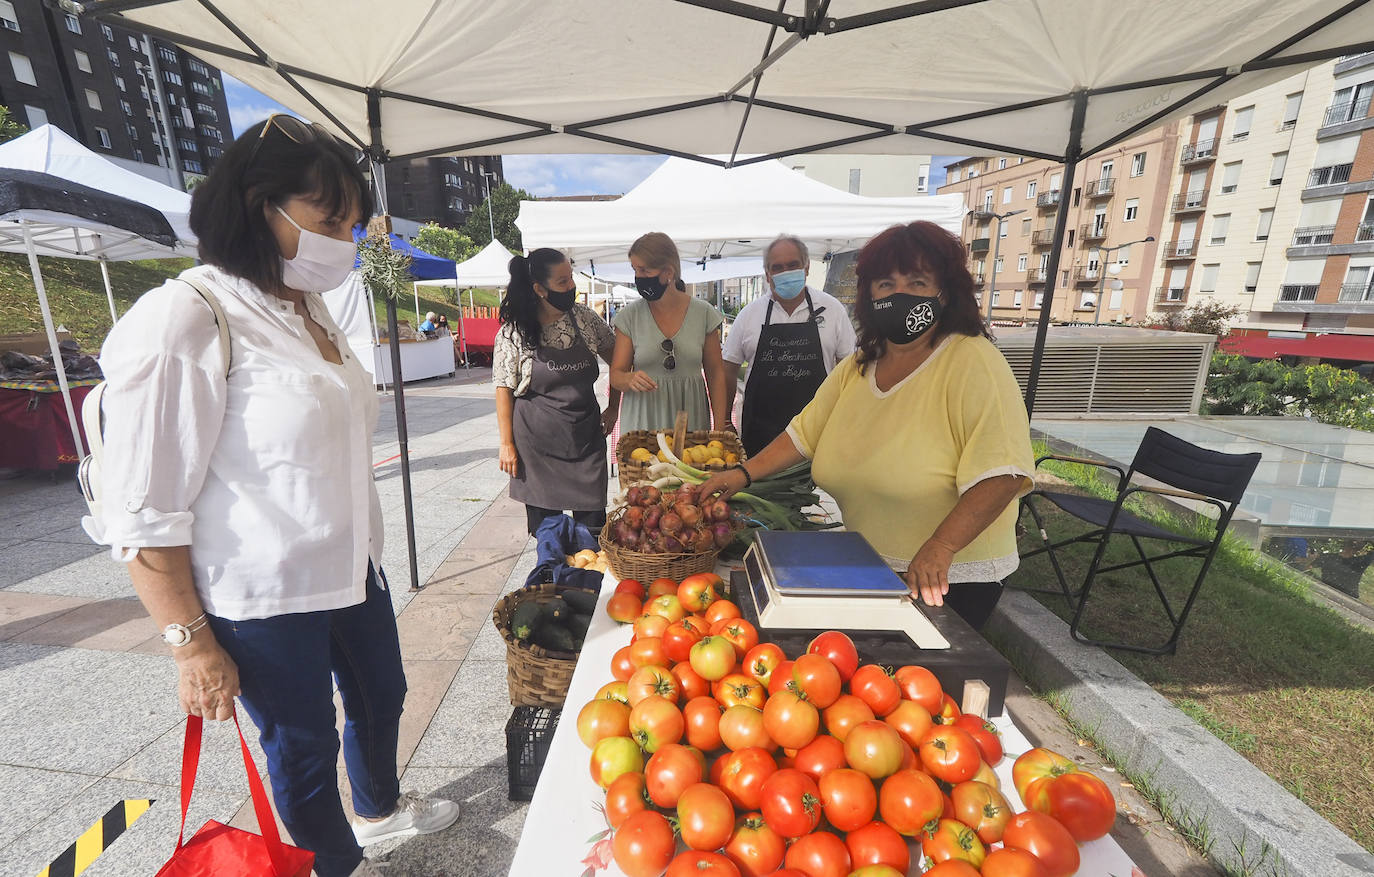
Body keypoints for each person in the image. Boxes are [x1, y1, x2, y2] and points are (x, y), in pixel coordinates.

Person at [83, 114, 457, 877]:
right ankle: (332, 863)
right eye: (330, 222)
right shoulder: (187, 316)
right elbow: (143, 505)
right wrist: (191, 643)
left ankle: (379, 808)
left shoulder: (305, 304)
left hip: (353, 567)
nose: (345, 242)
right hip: (262, 597)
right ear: (264, 207)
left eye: (352, 225)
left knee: (383, 694)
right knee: (303, 746)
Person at [698, 221, 1034, 630]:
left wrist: (941, 546)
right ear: (870, 294)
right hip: (871, 563)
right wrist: (742, 474)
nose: (900, 294)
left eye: (917, 282)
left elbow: (1003, 473)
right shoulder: (860, 366)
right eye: (885, 284)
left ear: (945, 291)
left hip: (947, 575)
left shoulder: (972, 361)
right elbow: (802, 434)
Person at [494, 248, 620, 535]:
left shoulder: (585, 319)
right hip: (537, 449)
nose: (571, 287)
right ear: (539, 289)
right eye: (562, 282)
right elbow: (503, 388)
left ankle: (587, 580)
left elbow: (620, 363)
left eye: (571, 279)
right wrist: (506, 443)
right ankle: (551, 578)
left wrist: (613, 406)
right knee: (548, 536)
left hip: (585, 441)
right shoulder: (514, 331)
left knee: (592, 533)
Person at [723, 234, 856, 456]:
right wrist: (726, 421)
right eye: (777, 267)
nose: (785, 272)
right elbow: (727, 369)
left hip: (818, 430)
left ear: (806, 267)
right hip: (760, 432)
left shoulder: (833, 310)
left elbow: (849, 369)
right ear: (767, 275)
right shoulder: (749, 315)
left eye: (793, 265)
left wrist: (846, 420)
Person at [611, 232, 729, 432]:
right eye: (634, 269)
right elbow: (616, 375)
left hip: (690, 421)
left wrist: (719, 428)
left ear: (669, 272)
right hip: (642, 422)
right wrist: (628, 379)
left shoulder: (703, 314)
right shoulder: (630, 316)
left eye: (644, 270)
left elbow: (716, 374)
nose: (638, 277)